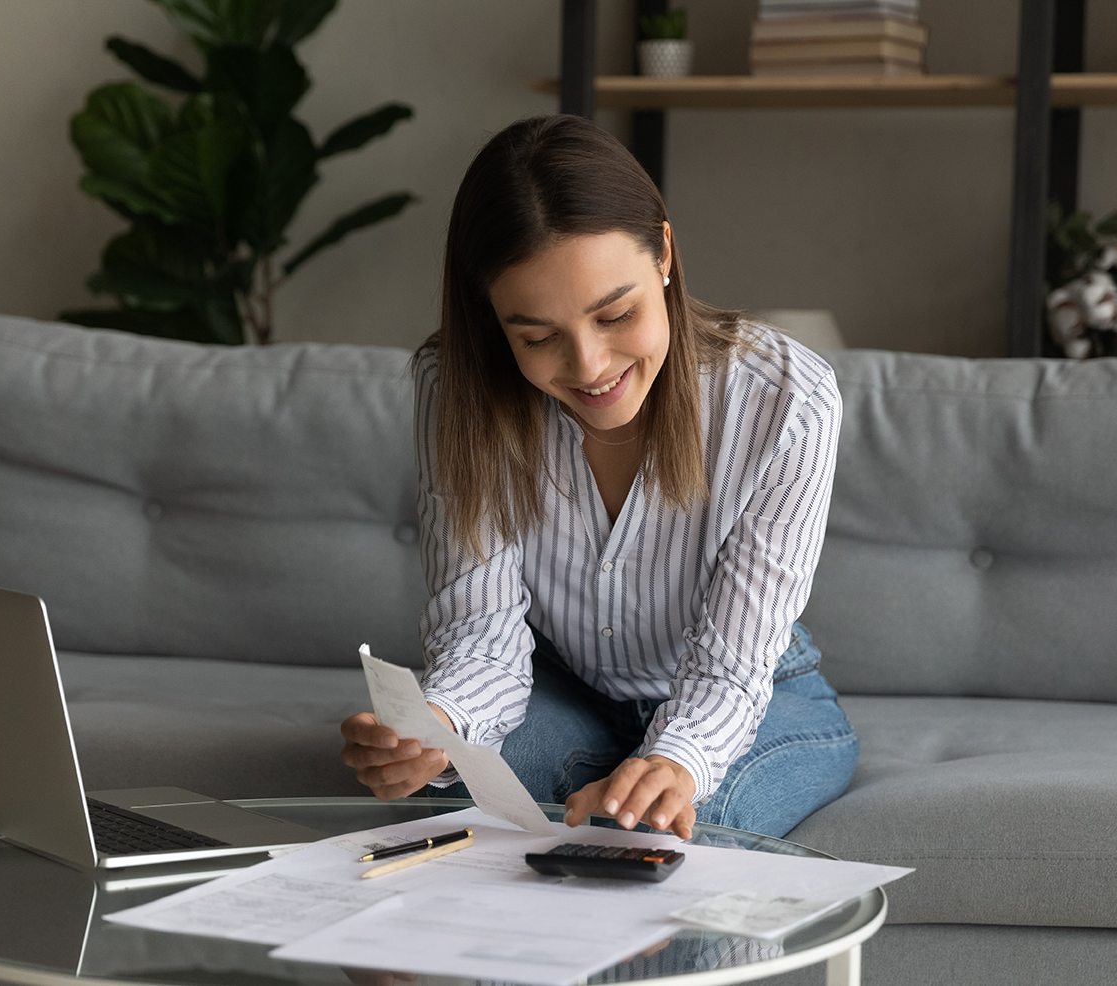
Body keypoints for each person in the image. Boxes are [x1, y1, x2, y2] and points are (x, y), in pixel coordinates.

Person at [339, 115, 856, 840]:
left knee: (660, 841)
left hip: (760, 693)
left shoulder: (785, 399)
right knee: (453, 810)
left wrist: (674, 760)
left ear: (665, 254)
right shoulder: (454, 388)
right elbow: (482, 635)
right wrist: (435, 728)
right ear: (492, 319)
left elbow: (728, 672)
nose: (588, 367)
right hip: (565, 690)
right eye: (536, 337)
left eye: (616, 314)